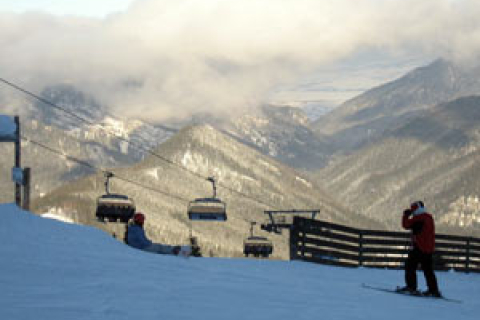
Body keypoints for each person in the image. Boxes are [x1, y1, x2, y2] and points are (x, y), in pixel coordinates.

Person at [399, 201, 441, 297]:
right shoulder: (429, 217)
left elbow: (406, 225)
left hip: (419, 247)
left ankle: (411, 287)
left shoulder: (418, 218)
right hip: (429, 248)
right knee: (428, 270)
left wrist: (405, 215)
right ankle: (433, 290)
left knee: (410, 266)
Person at [126, 212, 191, 256]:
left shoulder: (133, 228)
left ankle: (173, 250)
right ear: (140, 221)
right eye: (142, 220)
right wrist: (149, 243)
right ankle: (175, 251)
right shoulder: (136, 229)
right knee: (159, 247)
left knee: (158, 247)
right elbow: (142, 241)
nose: (143, 222)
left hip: (139, 248)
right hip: (142, 248)